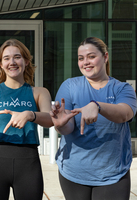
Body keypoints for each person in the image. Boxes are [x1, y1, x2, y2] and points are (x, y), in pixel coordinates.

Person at [50, 37, 137, 200]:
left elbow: (125, 113)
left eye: (91, 56)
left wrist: (97, 106)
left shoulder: (122, 88)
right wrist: (60, 125)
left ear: (105, 57)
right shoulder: (69, 86)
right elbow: (67, 128)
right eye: (81, 58)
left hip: (113, 175)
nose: (86, 62)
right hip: (73, 173)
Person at [0, 39, 53, 200]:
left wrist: (31, 114)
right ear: (0, 64)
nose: (12, 62)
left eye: (17, 57)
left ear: (26, 61)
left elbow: (50, 119)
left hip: (28, 161)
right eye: (6, 58)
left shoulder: (39, 92)